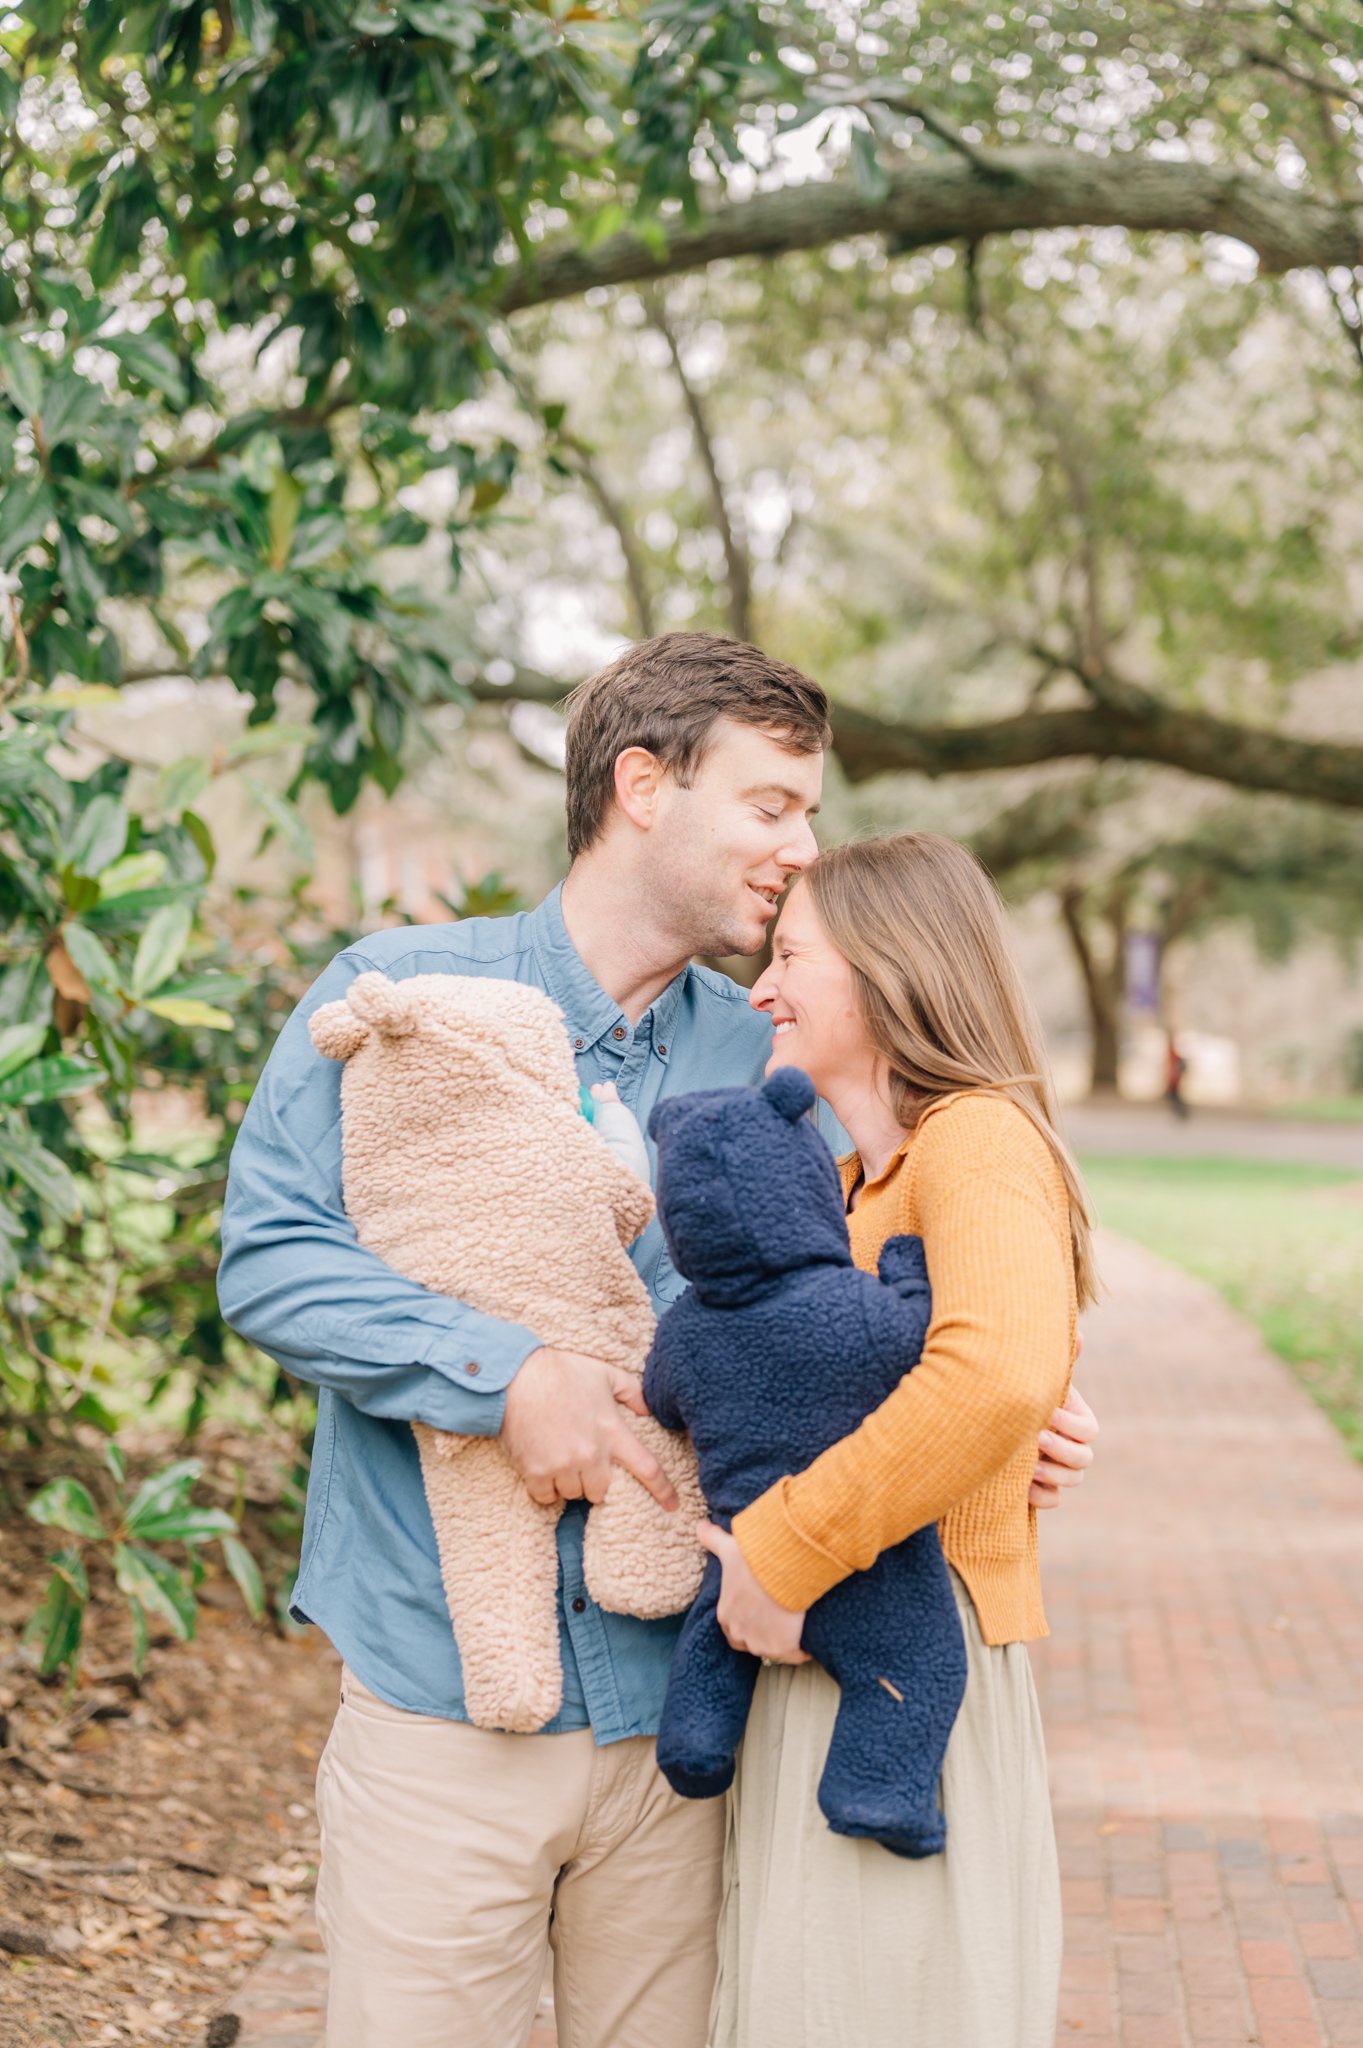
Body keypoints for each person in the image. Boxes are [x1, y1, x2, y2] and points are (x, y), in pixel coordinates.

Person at [216, 634, 1098, 2048]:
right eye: (769, 806)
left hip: (691, 1731)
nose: (799, 847)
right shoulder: (396, 998)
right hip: (443, 1707)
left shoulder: (774, 1058)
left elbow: (861, 1303)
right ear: (642, 785)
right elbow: (267, 1258)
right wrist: (501, 1376)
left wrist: (993, 1421)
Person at [698, 833, 1098, 2048]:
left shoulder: (976, 1135)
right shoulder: (846, 1184)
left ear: (888, 970)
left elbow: (994, 1372)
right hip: (818, 1656)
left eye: (791, 956)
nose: (761, 987)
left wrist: (778, 1548)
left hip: (910, 1672)